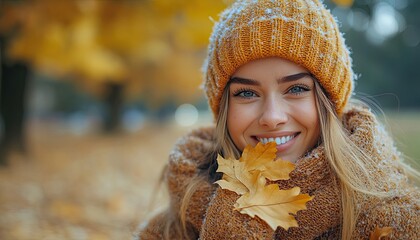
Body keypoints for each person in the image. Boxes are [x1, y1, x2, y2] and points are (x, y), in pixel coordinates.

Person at [135, 0, 420, 239]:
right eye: (246, 93)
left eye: (296, 89)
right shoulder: (171, 227)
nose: (272, 117)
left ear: (329, 103)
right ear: (223, 109)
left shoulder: (395, 222)